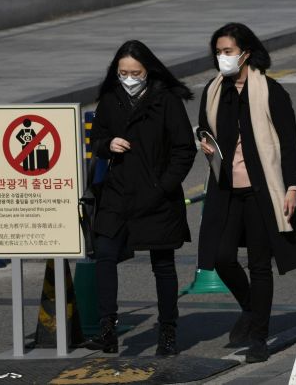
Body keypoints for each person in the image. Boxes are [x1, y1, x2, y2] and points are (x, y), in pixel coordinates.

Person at [196, 23, 296, 363]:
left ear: (246, 52)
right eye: (218, 51)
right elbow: (204, 126)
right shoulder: (214, 91)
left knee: (260, 264)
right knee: (220, 256)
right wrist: (202, 141)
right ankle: (251, 307)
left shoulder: (271, 92)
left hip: (263, 190)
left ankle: (258, 337)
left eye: (228, 51)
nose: (222, 58)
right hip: (225, 188)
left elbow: (288, 144)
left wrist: (292, 188)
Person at [84, 40, 196, 356]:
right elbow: (97, 139)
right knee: (104, 253)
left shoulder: (167, 101)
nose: (129, 78)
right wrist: (108, 145)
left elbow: (184, 149)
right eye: (123, 72)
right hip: (117, 192)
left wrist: (164, 185)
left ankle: (168, 331)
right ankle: (108, 328)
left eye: (135, 72)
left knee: (162, 263)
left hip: (157, 195)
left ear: (148, 70)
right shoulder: (110, 98)